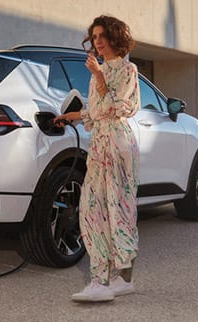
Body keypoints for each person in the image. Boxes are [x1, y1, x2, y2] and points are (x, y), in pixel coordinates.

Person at [54, 15, 140, 302]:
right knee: (92, 209)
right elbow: (97, 110)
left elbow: (118, 107)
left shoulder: (128, 70)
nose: (97, 41)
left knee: (119, 209)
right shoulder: (97, 73)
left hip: (118, 144)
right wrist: (73, 116)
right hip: (100, 145)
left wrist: (100, 76)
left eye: (102, 35)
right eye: (94, 37)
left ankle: (120, 279)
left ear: (115, 37)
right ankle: (101, 279)